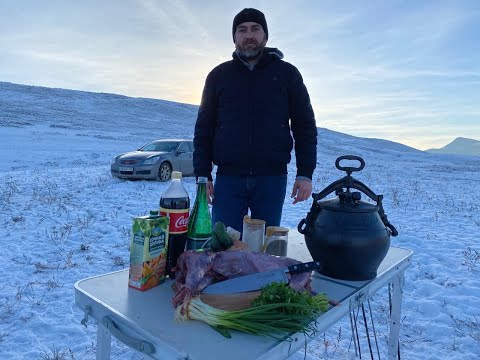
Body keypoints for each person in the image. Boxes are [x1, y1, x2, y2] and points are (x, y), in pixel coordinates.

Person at [193, 8, 317, 233]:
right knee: (224, 247)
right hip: (228, 180)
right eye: (242, 30)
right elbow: (204, 128)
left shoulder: (288, 74)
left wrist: (305, 173)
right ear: (234, 38)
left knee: (266, 248)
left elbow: (304, 126)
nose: (248, 35)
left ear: (265, 36)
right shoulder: (218, 76)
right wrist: (203, 174)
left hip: (272, 179)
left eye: (255, 29)